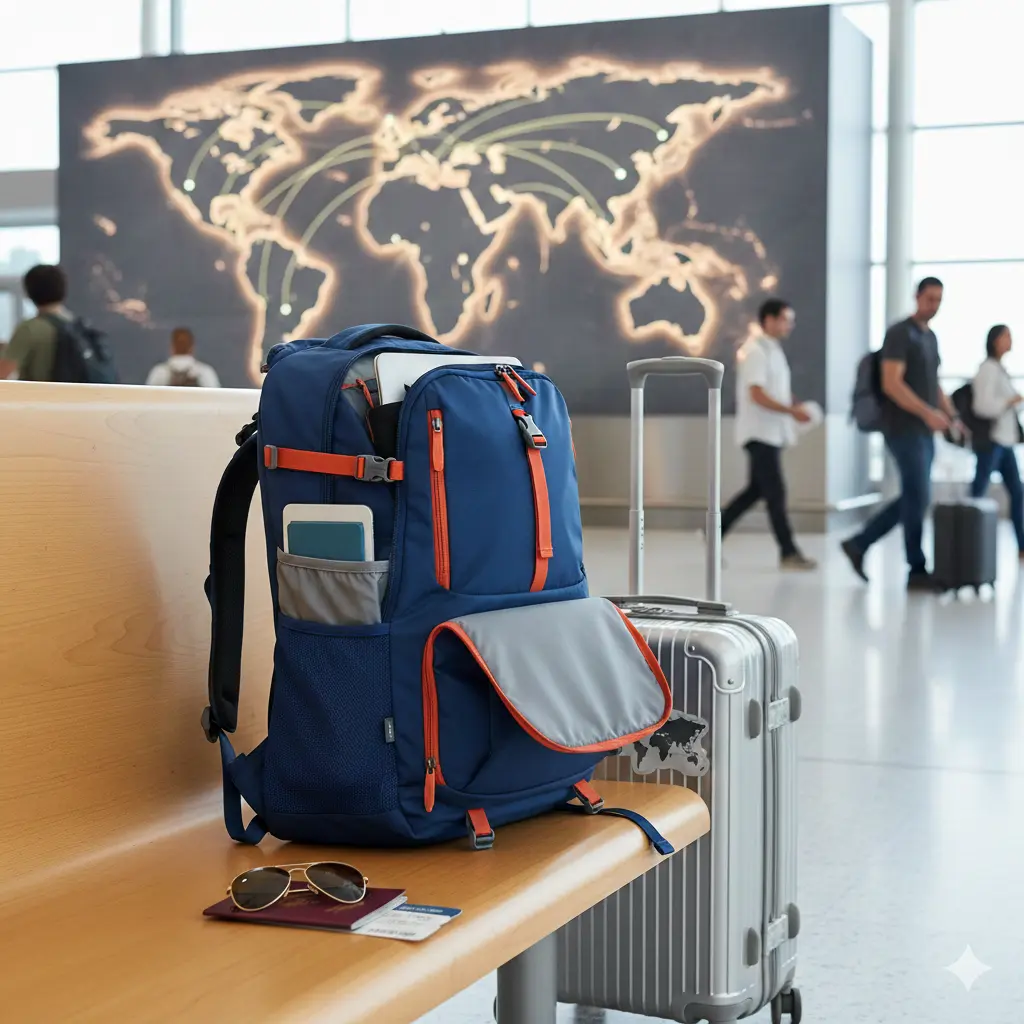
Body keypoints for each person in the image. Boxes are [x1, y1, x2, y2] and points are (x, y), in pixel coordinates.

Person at [841, 277, 959, 590]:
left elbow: (934, 384)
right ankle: (916, 569)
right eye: (930, 298)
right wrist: (927, 413)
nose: (934, 305)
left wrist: (951, 415)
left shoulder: (930, 338)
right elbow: (892, 383)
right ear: (917, 297)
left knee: (915, 497)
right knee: (917, 496)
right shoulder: (899, 333)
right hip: (902, 429)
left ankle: (859, 543)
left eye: (939, 300)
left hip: (925, 431)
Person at [720, 298, 817, 570]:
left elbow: (773, 389)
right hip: (758, 434)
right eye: (787, 319)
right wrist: (790, 410)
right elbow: (757, 393)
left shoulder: (772, 350)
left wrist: (792, 404)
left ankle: (713, 532)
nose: (791, 325)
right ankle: (788, 551)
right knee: (775, 493)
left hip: (771, 433)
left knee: (755, 491)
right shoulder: (756, 352)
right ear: (770, 319)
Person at [970, 324, 1024, 556]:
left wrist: (1014, 402)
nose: (1010, 340)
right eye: (1006, 336)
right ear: (994, 340)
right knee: (978, 492)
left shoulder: (1000, 369)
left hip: (1005, 442)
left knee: (1018, 492)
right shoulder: (988, 370)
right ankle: (968, 542)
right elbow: (981, 406)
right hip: (991, 442)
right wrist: (1008, 402)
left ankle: (1022, 545)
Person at [1, 265, 72, 381]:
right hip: (75, 397)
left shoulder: (29, 329)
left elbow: (3, 372)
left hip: (39, 397)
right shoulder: (75, 325)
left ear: (28, 292)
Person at [145, 327, 221, 387]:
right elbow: (217, 402)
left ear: (172, 347)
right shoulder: (205, 373)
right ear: (192, 348)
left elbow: (147, 402)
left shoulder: (158, 373)